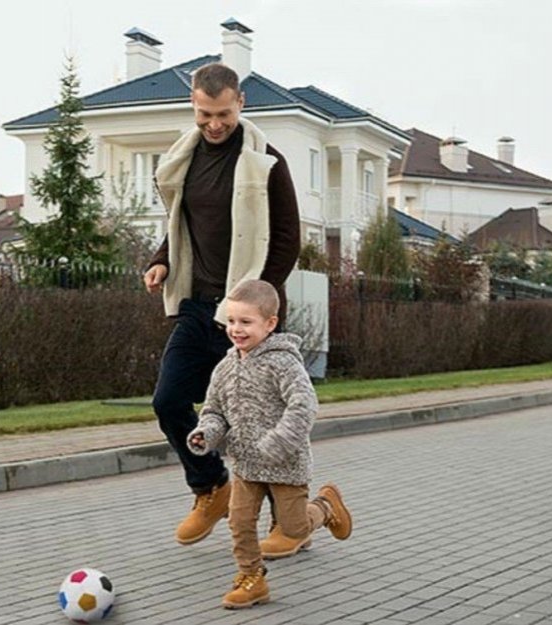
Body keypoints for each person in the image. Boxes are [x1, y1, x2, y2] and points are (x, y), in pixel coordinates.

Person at [143, 62, 300, 546]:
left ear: (241, 105)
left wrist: (257, 303)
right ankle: (210, 485)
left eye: (224, 114)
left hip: (251, 317)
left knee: (259, 425)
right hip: (198, 306)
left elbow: (288, 240)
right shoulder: (183, 158)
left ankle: (288, 523)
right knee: (168, 400)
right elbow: (180, 224)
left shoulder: (265, 161)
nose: (214, 124)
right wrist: (162, 260)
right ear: (193, 105)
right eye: (205, 114)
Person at [187, 280, 353, 609]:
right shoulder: (224, 368)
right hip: (247, 465)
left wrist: (279, 441)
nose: (236, 329)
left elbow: (304, 406)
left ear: (270, 323)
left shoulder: (284, 363)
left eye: (246, 322)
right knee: (239, 521)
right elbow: (215, 410)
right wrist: (207, 433)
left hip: (285, 464)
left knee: (294, 530)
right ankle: (252, 579)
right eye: (231, 321)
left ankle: (325, 507)